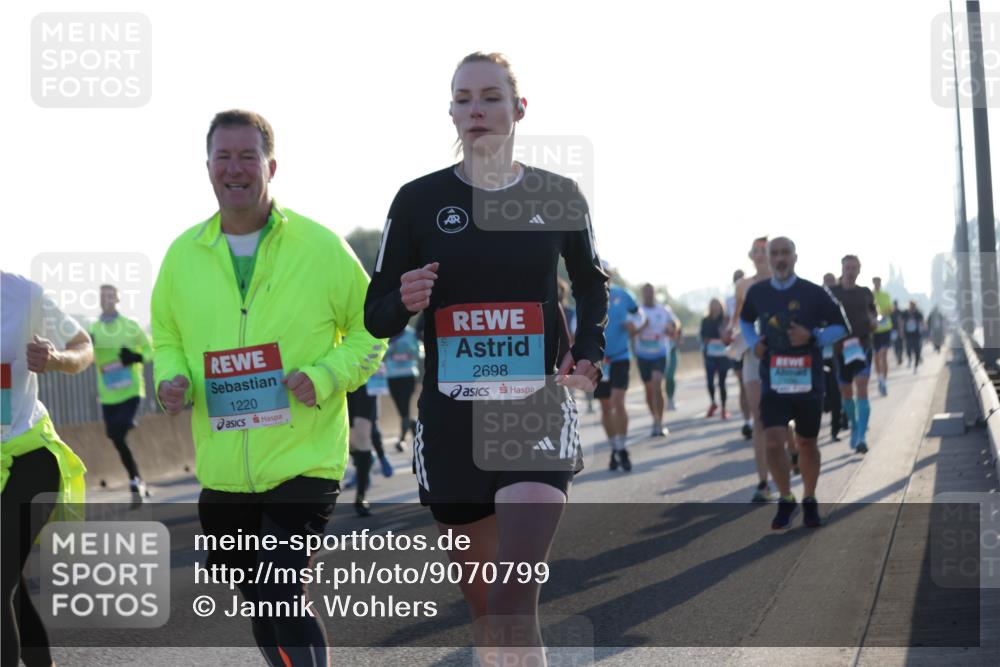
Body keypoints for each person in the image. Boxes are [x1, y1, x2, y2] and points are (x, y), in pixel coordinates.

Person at [363, 52, 607, 663]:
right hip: (452, 419)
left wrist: (591, 352)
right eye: (464, 98)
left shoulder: (557, 194)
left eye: (491, 97)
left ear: (518, 109)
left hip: (536, 410)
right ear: (451, 111)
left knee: (511, 600)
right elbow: (375, 312)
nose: (477, 109)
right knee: (483, 611)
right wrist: (404, 297)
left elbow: (592, 283)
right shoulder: (418, 201)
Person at [152, 110, 385, 666]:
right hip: (225, 466)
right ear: (207, 166)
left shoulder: (319, 245)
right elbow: (168, 336)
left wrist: (326, 375)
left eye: (247, 156)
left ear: (270, 166)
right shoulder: (183, 254)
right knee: (261, 598)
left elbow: (373, 327)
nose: (234, 169)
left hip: (304, 457)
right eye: (223, 157)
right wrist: (171, 379)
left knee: (280, 591)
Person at [2, 271, 92, 667]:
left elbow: (83, 347)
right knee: (9, 584)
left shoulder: (24, 295)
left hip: (29, 458)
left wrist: (56, 359)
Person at [740, 238, 848, 529]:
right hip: (773, 381)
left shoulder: (813, 293)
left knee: (807, 444)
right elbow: (745, 321)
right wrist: (754, 344)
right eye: (773, 254)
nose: (779, 258)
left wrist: (813, 337)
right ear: (769, 259)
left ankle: (810, 498)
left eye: (784, 253)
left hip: (808, 381)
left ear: (795, 257)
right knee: (774, 443)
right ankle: (786, 498)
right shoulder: (758, 293)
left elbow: (841, 326)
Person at [89, 284, 153, 502]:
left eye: (110, 296)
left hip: (132, 391)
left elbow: (149, 349)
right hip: (108, 395)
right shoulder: (94, 330)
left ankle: (135, 479)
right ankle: (136, 478)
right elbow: (86, 355)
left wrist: (135, 358)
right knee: (116, 438)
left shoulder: (130, 326)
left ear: (117, 299)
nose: (106, 300)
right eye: (102, 297)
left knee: (119, 433)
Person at [729, 236, 775, 502]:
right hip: (753, 353)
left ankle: (790, 449)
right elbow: (738, 317)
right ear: (751, 256)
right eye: (756, 251)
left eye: (764, 250)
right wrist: (731, 331)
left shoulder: (781, 281)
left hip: (780, 354)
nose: (760, 254)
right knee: (760, 417)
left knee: (781, 419)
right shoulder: (744, 285)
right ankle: (763, 483)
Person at [830, 255, 878, 454]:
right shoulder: (832, 292)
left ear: (859, 270)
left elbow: (874, 314)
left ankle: (862, 437)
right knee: (846, 392)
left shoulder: (865, 293)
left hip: (862, 345)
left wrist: (875, 321)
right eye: (847, 267)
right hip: (840, 349)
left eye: (854, 267)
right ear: (841, 269)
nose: (850, 271)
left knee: (862, 386)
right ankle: (854, 425)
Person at [598, 271, 644, 469]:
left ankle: (622, 446)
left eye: (605, 273)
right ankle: (614, 448)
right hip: (599, 361)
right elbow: (576, 323)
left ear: (610, 275)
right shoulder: (587, 295)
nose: (602, 277)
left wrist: (634, 325)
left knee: (618, 401)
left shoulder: (623, 294)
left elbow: (640, 314)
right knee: (606, 407)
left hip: (620, 357)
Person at [634, 283, 671, 436]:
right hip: (643, 354)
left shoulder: (663, 310)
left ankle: (661, 422)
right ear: (642, 294)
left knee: (657, 385)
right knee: (649, 390)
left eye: (651, 292)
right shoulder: (637, 312)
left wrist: (674, 327)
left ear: (655, 293)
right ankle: (655, 419)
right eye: (646, 292)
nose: (649, 294)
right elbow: (631, 332)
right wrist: (643, 326)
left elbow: (674, 323)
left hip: (660, 353)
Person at [725, 270, 753, 439]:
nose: (740, 282)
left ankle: (759, 417)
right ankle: (747, 421)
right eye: (737, 280)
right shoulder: (729, 300)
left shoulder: (755, 295)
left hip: (753, 345)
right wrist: (726, 333)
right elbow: (728, 323)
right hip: (738, 346)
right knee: (743, 383)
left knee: (756, 383)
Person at [386, 325, 422, 451]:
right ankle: (414, 429)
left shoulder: (410, 333)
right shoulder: (386, 331)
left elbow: (418, 352)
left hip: (408, 375)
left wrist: (406, 355)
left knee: (404, 407)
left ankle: (401, 439)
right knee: (402, 410)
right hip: (391, 376)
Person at [821, 273, 844, 441]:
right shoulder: (815, 302)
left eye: (831, 282)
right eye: (826, 282)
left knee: (836, 393)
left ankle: (835, 429)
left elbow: (845, 328)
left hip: (837, 355)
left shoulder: (837, 305)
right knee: (823, 395)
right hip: (818, 356)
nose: (828, 285)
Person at [700, 298, 731, 419]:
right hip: (710, 354)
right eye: (713, 304)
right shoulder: (705, 320)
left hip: (723, 355)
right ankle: (713, 403)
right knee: (709, 381)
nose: (715, 307)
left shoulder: (725, 319)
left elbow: (729, 335)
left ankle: (723, 408)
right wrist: (709, 339)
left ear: (721, 306)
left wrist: (724, 339)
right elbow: (703, 336)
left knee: (722, 382)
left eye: (717, 304)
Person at [871, 276, 894, 395]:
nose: (877, 284)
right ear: (873, 283)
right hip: (874, 330)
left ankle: (884, 382)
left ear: (881, 282)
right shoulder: (870, 295)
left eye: (879, 282)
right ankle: (880, 378)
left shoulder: (886, 295)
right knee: (876, 357)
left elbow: (890, 309)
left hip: (886, 328)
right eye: (875, 282)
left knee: (884, 355)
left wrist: (888, 311)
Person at [664, 303, 682, 411]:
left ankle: (671, 399)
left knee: (670, 376)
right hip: (662, 354)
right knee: (664, 378)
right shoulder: (660, 324)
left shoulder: (676, 324)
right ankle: (666, 399)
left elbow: (680, 341)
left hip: (673, 352)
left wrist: (674, 334)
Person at [901, 300, 925, 370]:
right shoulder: (905, 313)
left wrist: (923, 328)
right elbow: (902, 322)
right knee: (908, 349)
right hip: (908, 335)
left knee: (917, 350)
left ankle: (916, 365)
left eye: (913, 305)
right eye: (911, 305)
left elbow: (922, 322)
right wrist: (901, 330)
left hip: (916, 335)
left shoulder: (918, 313)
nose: (912, 307)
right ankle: (909, 359)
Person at [891, 300, 905, 366]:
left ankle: (900, 356)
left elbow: (902, 321)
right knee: (895, 346)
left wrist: (902, 331)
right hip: (893, 331)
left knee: (901, 345)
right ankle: (898, 357)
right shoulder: (891, 313)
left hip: (900, 330)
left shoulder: (900, 312)